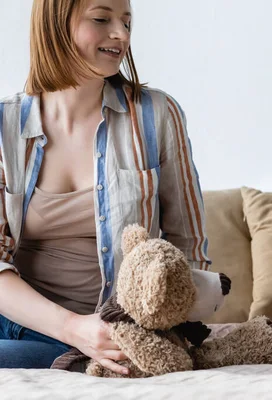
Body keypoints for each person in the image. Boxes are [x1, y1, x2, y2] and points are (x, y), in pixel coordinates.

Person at [0, 0, 220, 374]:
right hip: (21, 325)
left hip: (123, 333)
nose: (121, 34)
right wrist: (74, 329)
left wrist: (167, 330)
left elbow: (189, 245)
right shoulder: (4, 127)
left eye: (127, 22)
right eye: (102, 19)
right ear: (54, 24)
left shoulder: (156, 115)